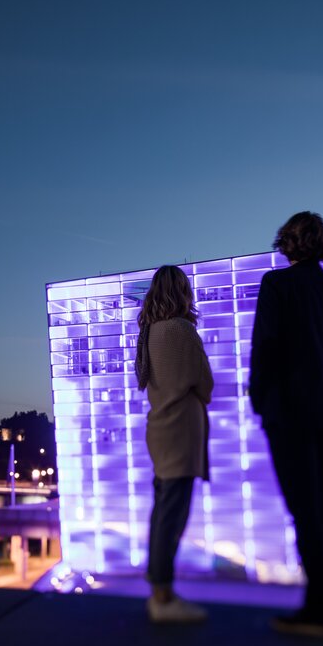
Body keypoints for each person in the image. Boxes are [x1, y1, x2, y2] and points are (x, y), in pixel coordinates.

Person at [249, 211, 323, 637]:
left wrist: (261, 402)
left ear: (287, 242)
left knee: (304, 510)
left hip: (290, 414)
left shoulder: (277, 285)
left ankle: (317, 609)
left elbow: (265, 348)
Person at [135, 265, 214, 623]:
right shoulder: (181, 329)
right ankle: (163, 596)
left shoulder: (150, 332)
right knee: (172, 516)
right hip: (181, 432)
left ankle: (160, 590)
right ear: (181, 291)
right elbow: (205, 382)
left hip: (161, 432)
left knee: (162, 513)